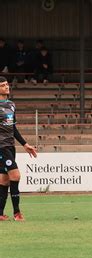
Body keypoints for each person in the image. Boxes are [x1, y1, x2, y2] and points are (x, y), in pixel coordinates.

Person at [0, 76, 38, 221]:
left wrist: (25, 144)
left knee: (3, 180)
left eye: (7, 84)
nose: (6, 87)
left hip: (10, 146)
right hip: (1, 147)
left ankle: (0, 213)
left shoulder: (11, 105)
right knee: (15, 176)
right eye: (3, 85)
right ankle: (17, 213)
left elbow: (13, 127)